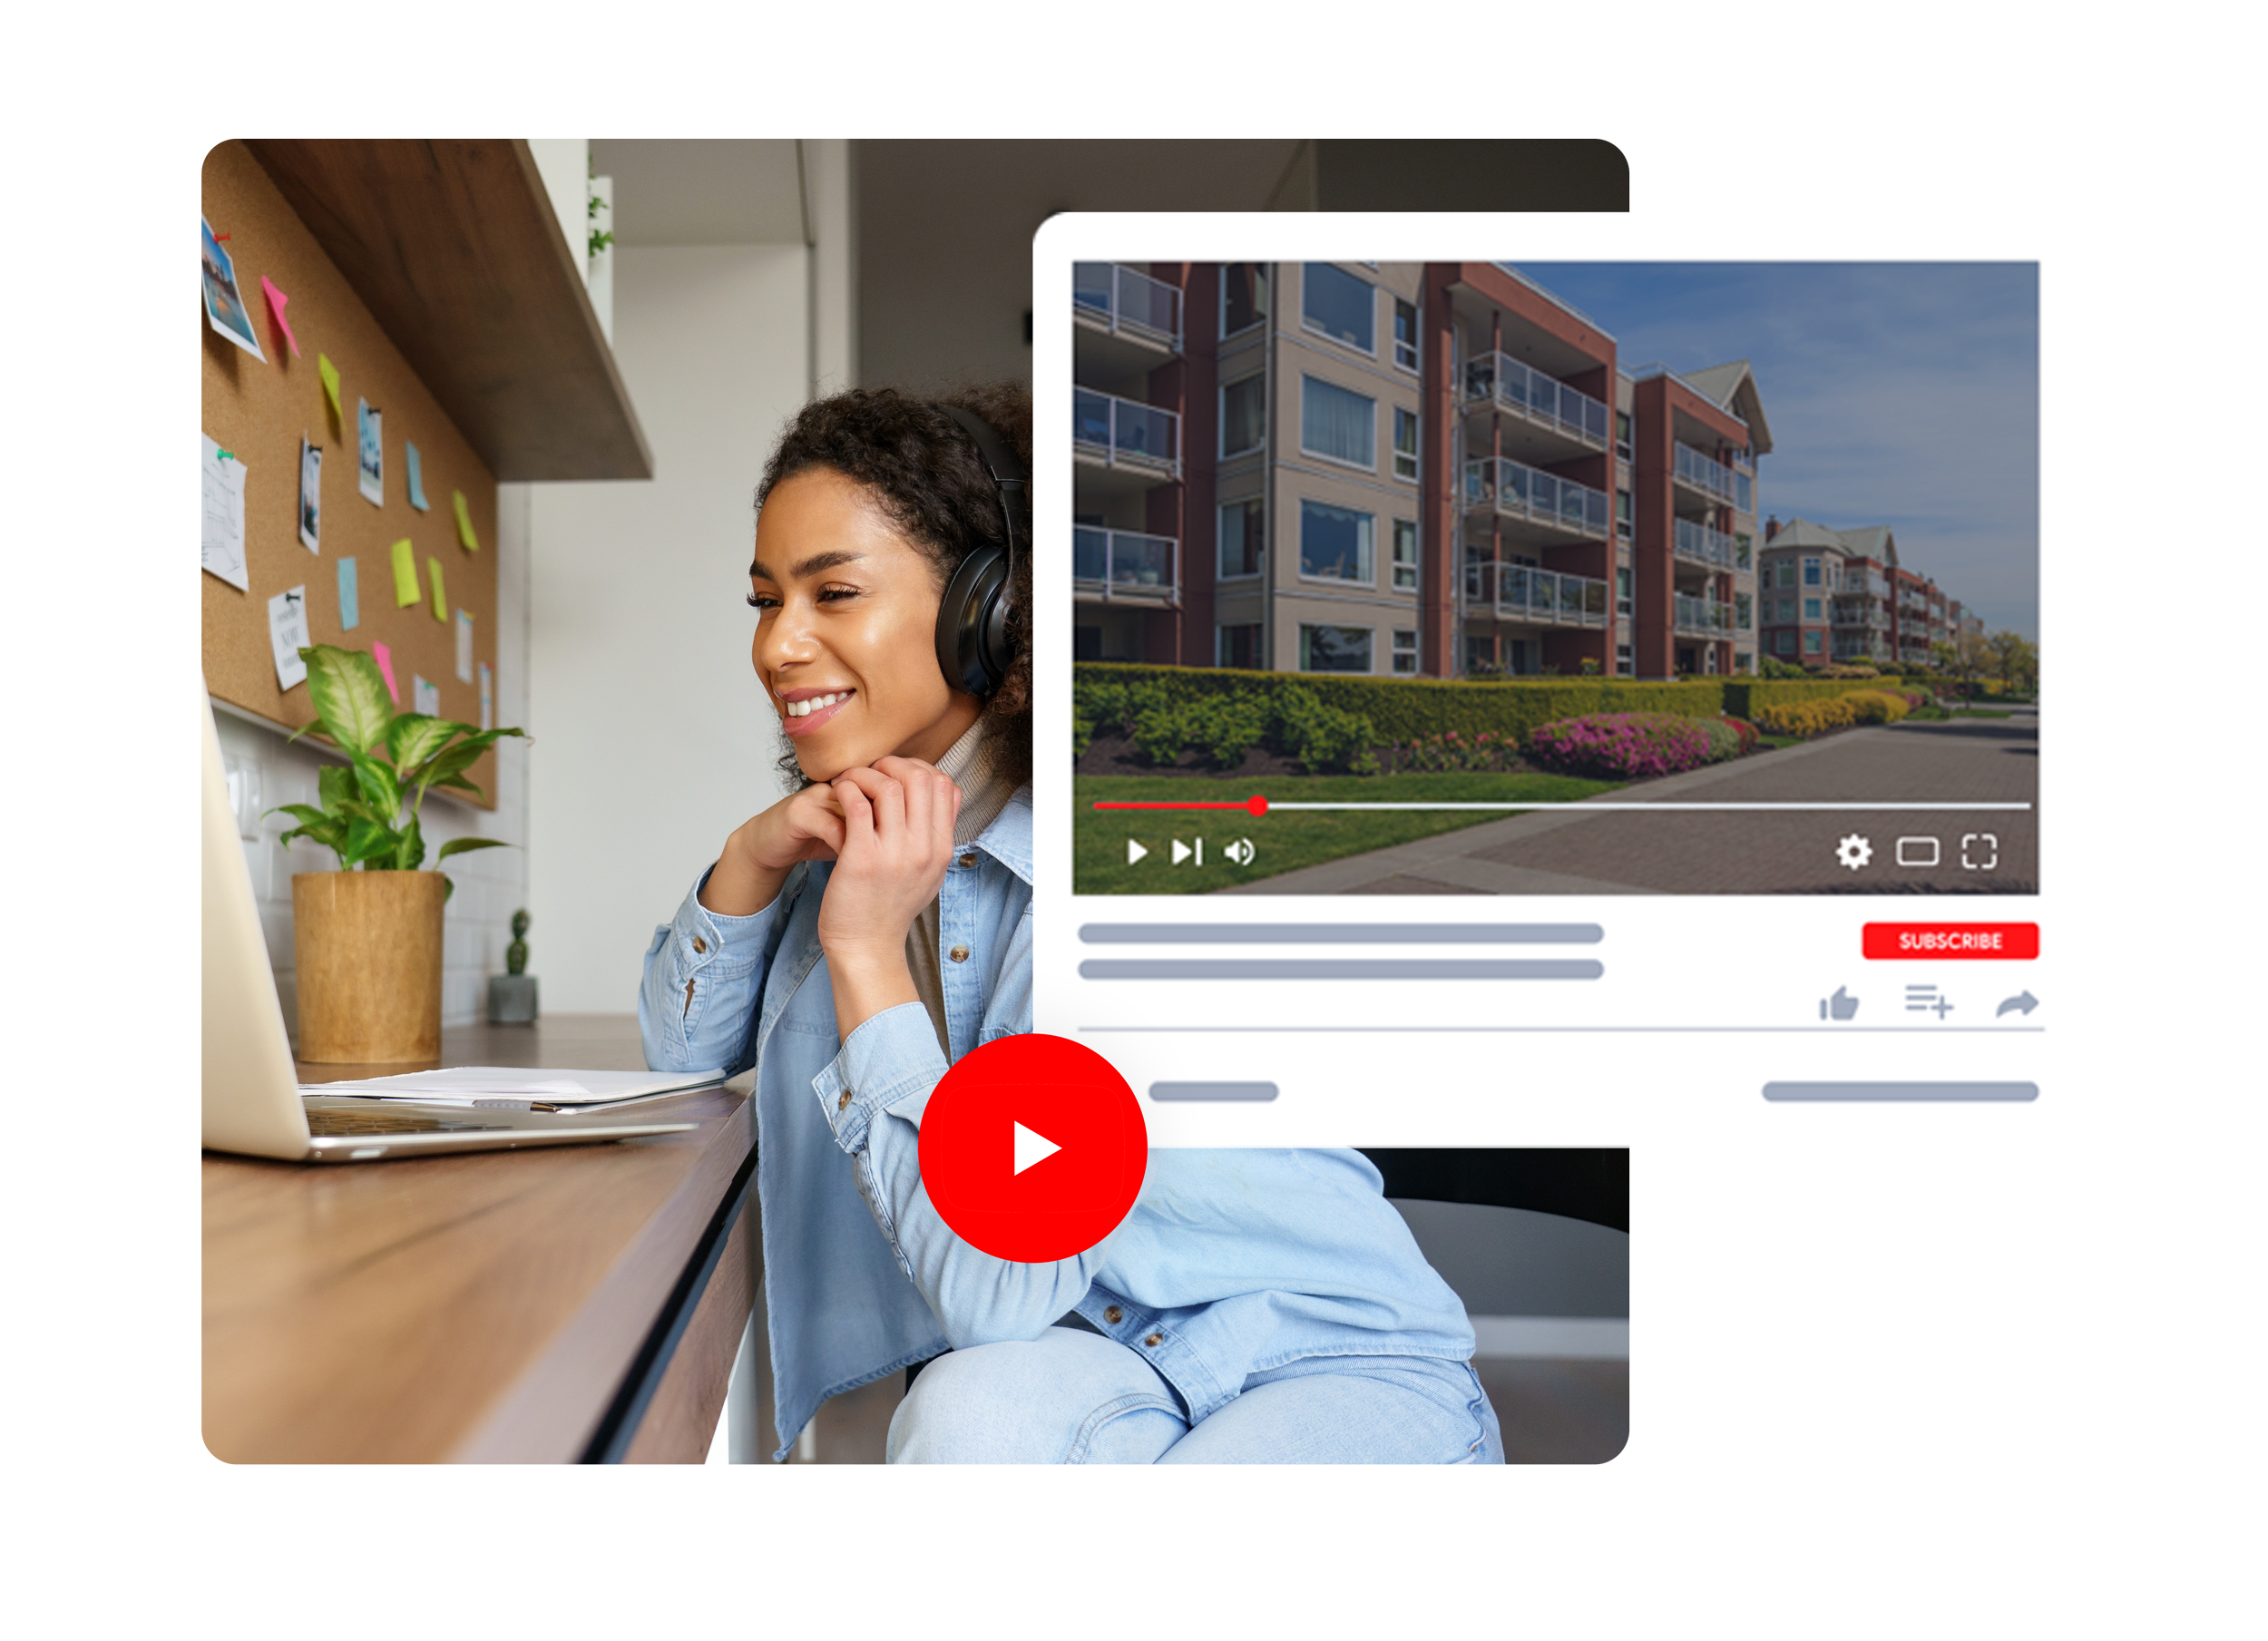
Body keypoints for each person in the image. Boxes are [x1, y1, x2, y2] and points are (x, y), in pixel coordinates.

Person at [639, 386, 1501, 1464]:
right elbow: (682, 1059)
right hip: (1095, 1353)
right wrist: (749, 862)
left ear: (991, 609)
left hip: (1318, 1351)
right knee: (966, 1424)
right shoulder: (872, 845)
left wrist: (863, 955)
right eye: (766, 602)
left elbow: (992, 1285)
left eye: (835, 592)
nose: (779, 646)